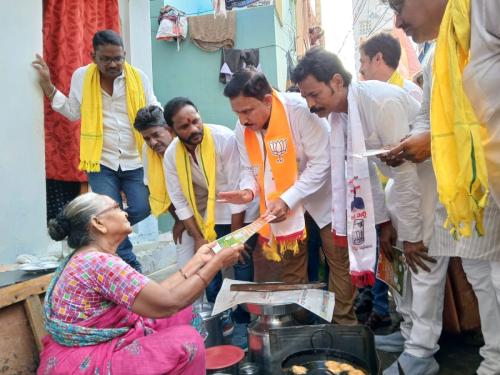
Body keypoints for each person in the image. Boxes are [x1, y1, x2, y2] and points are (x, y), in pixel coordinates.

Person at [377, 2, 500, 374]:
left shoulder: (484, 10)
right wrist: (415, 141)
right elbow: (429, 115)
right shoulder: (437, 53)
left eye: (399, 6)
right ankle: (493, 361)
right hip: (470, 187)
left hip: (479, 173)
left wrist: (432, 142)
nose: (398, 21)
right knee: (482, 274)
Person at [292, 49, 429, 325]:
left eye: (314, 94)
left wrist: (413, 236)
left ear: (337, 82)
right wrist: (384, 222)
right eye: (305, 96)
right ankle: (409, 333)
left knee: (423, 272)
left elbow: (407, 175)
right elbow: (363, 174)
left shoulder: (379, 102)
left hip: (425, 185)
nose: (309, 104)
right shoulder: (341, 116)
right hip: (399, 192)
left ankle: (421, 349)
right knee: (399, 270)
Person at [38, 192, 243, 374]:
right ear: (98, 223)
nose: (125, 213)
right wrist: (217, 263)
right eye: (117, 208)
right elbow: (169, 302)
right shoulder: (99, 262)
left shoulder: (90, 257)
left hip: (86, 349)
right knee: (187, 341)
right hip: (87, 362)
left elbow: (155, 294)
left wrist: (198, 260)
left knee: (183, 313)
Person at [219, 68, 357, 325]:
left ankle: (342, 327)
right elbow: (250, 168)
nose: (243, 119)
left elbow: (322, 163)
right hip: (285, 209)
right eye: (237, 112)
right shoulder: (243, 128)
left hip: (324, 200)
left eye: (247, 111)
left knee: (337, 264)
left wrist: (289, 198)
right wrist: (248, 191)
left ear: (267, 100)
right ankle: (301, 326)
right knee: (293, 272)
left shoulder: (299, 111)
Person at [32, 30, 160, 272]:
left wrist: (161, 130)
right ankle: (129, 264)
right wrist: (48, 86)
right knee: (109, 212)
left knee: (144, 206)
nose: (113, 64)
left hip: (135, 158)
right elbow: (72, 111)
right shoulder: (82, 77)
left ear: (124, 55)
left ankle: (98, 233)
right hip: (101, 160)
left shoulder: (138, 77)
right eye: (106, 59)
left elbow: (153, 106)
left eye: (118, 58)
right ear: (94, 57)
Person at [162, 97, 258, 330]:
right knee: (208, 264)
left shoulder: (223, 139)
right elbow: (180, 200)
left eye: (195, 120)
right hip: (209, 216)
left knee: (241, 260)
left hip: (241, 211)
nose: (194, 129)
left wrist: (237, 238)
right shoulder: (171, 155)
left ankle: (244, 320)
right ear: (171, 130)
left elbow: (237, 188)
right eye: (184, 126)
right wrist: (198, 238)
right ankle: (220, 318)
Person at [357, 31, 424, 330]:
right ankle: (401, 322)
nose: (361, 70)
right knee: (390, 262)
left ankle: (411, 329)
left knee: (416, 268)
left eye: (363, 62)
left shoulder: (407, 93)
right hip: (387, 197)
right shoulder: (367, 100)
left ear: (378, 59)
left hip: (414, 195)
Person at [133, 105, 188, 262]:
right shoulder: (147, 151)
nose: (152, 142)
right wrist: (179, 221)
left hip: (210, 210)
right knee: (185, 263)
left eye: (156, 135)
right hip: (183, 215)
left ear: (169, 129)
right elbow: (158, 189)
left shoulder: (186, 143)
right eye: (146, 138)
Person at [359, 32, 422, 101]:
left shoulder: (410, 93)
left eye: (363, 62)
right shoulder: (372, 97)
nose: (360, 69)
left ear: (378, 58)